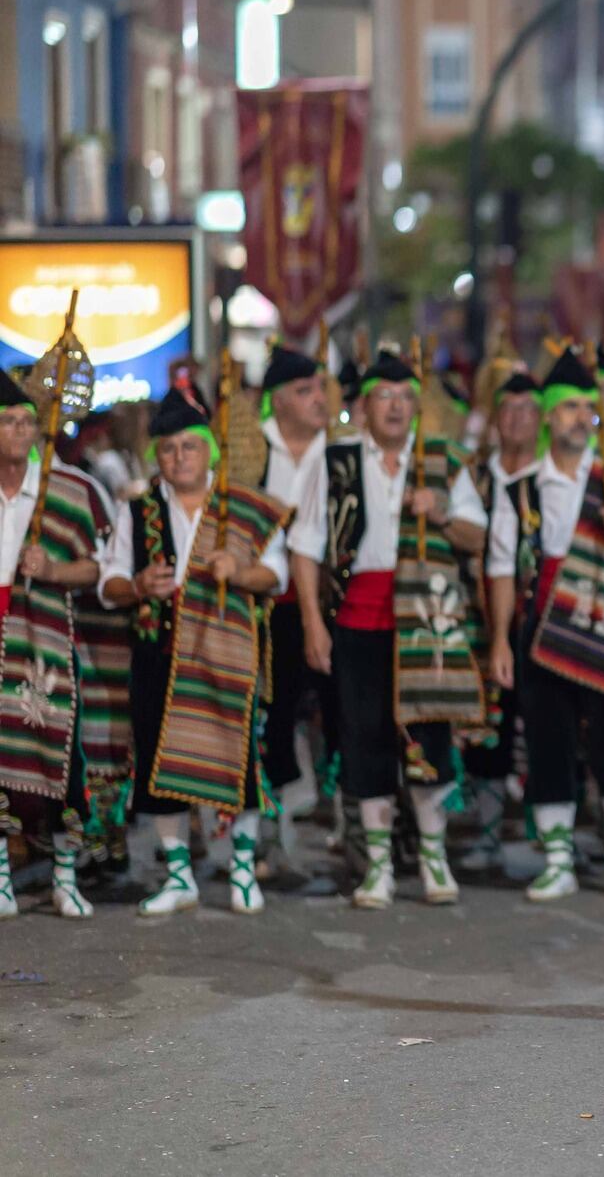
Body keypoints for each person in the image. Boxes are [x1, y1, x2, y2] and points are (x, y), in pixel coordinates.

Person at [288, 349, 489, 910]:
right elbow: (304, 547)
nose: (396, 407)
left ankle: (433, 857)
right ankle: (376, 863)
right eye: (385, 397)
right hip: (358, 619)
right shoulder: (336, 461)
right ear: (365, 405)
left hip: (427, 624)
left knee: (430, 737)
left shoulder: (444, 459)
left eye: (405, 397)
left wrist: (443, 510)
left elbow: (481, 536)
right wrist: (312, 623)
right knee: (364, 739)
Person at [485, 346, 604, 901]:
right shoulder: (524, 485)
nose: (580, 417)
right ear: (548, 415)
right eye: (568, 408)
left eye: (588, 407)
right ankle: (557, 857)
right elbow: (499, 566)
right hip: (541, 629)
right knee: (548, 742)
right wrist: (498, 641)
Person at [103, 384, 291, 915]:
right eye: (167, 448)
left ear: (210, 448)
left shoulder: (242, 509)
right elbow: (108, 583)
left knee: (238, 761)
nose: (179, 457)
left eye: (189, 445)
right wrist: (139, 586)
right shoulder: (137, 513)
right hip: (158, 651)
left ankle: (242, 871)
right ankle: (180, 875)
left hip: (226, 650)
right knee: (161, 764)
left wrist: (239, 571)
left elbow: (275, 575)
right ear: (155, 455)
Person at [0, 369, 115, 919]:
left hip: (46, 637)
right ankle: (1, 875)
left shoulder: (66, 490)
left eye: (27, 421)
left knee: (61, 755)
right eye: (8, 422)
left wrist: (52, 568)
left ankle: (66, 875)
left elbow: (99, 568)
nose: (20, 432)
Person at [460, 370, 540, 874]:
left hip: (541, 621)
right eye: (507, 410)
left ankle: (551, 832)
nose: (516, 420)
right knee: (488, 726)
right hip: (479, 618)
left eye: (528, 411)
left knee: (547, 727)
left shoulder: (553, 476)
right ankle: (487, 832)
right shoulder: (474, 477)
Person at [254, 342, 329, 861]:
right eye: (305, 391)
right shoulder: (250, 451)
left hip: (334, 602)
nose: (318, 399)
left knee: (337, 708)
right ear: (279, 400)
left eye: (320, 388)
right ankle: (267, 817)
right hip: (269, 604)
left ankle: (346, 811)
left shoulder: (343, 447)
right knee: (273, 710)